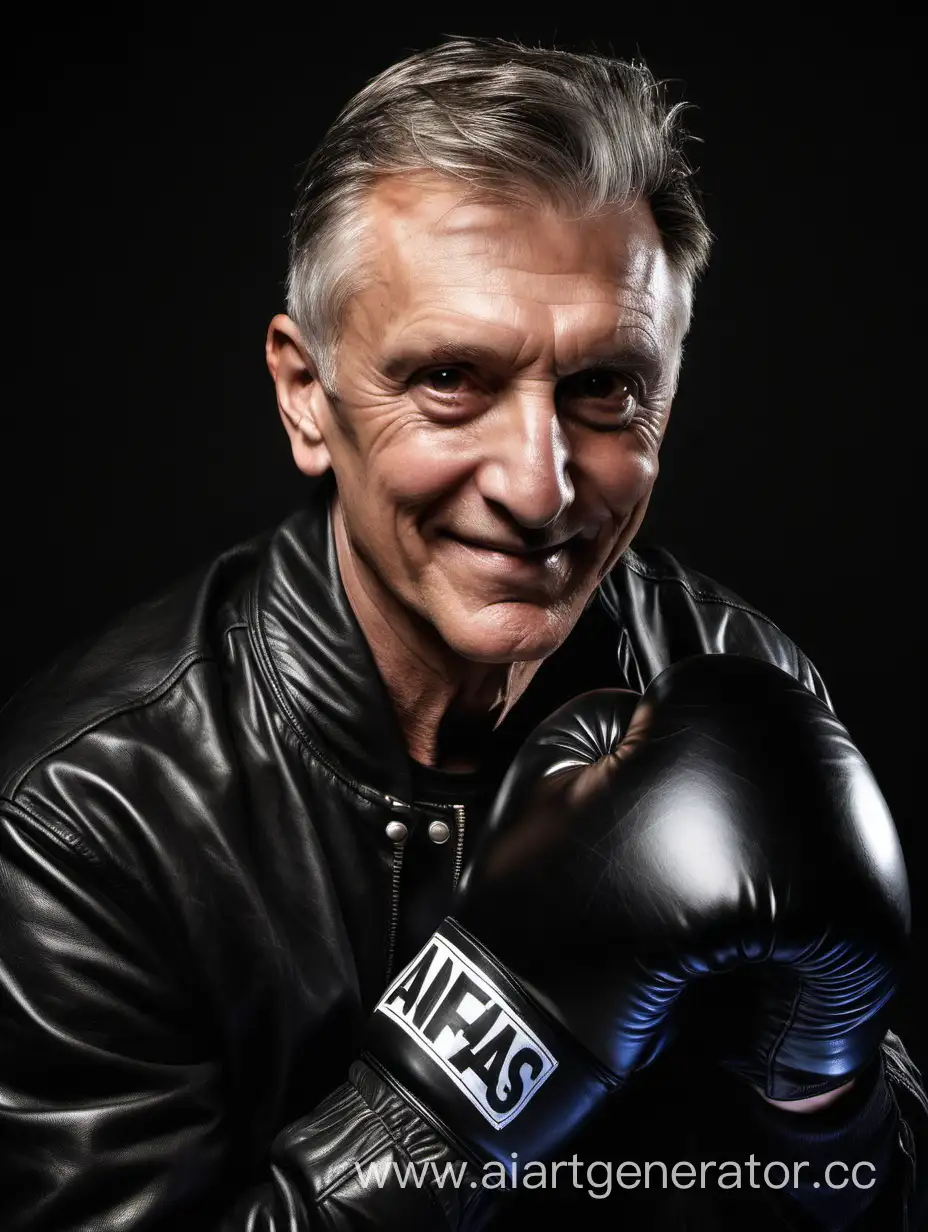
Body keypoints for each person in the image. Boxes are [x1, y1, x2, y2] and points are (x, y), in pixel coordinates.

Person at [0, 34, 923, 1232]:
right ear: (303, 394)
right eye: (449, 378)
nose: (539, 487)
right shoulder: (90, 815)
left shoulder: (734, 676)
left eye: (603, 385)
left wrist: (826, 1082)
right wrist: (474, 1053)